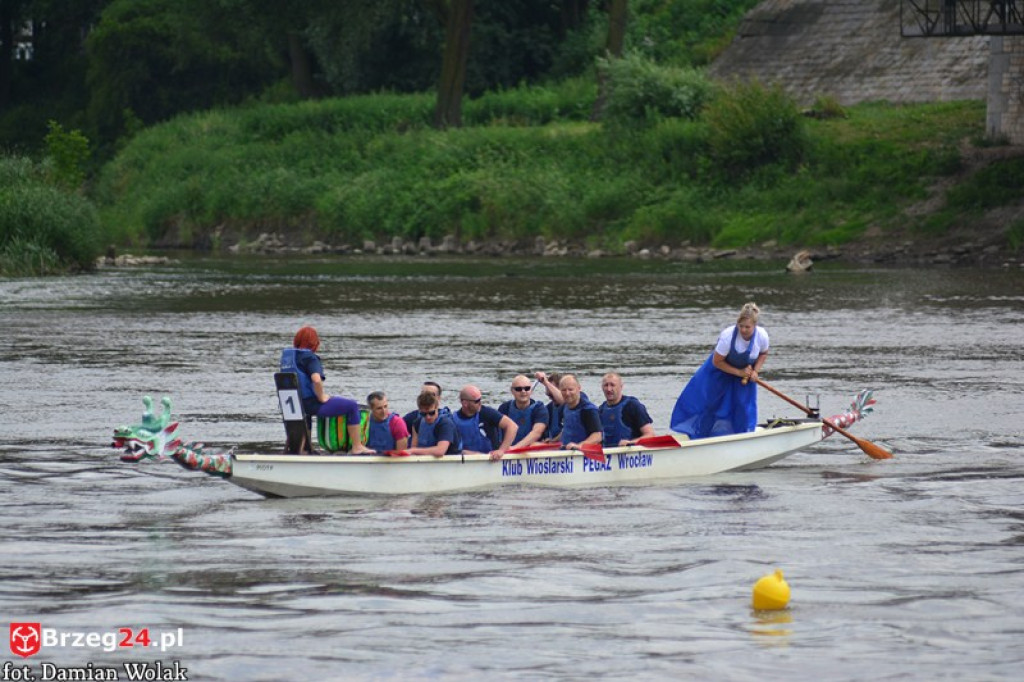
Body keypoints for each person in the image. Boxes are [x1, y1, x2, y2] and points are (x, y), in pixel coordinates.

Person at [670, 302, 770, 439]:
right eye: (741, 326)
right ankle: (701, 437)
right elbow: (717, 362)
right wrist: (739, 372)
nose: (744, 330)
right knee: (710, 405)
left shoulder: (762, 336)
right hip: (719, 371)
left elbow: (763, 354)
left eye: (748, 327)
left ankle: (743, 437)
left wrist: (755, 371)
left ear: (755, 326)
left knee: (743, 408)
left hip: (743, 377)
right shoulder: (728, 336)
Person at [280, 325, 372, 454]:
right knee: (352, 406)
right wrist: (322, 396)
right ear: (315, 343)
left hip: (292, 406)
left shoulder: (288, 358)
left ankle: (305, 449)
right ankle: (357, 446)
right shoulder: (310, 358)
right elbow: (316, 379)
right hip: (309, 404)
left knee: (307, 415)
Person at [453, 384, 518, 460]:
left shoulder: (487, 413)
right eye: (477, 401)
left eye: (480, 399)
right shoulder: (453, 419)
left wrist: (501, 450)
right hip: (467, 460)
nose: (480, 403)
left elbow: (512, 426)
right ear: (465, 403)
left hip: (491, 459)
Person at [598, 372, 655, 447]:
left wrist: (631, 442)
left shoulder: (633, 406)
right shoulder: (601, 410)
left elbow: (650, 435)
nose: (609, 389)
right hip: (608, 453)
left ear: (621, 387)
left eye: (612, 385)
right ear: (602, 388)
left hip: (631, 453)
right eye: (606, 385)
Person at [498, 375, 549, 447]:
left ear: (531, 390)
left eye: (527, 388)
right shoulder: (504, 408)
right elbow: (497, 434)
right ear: (512, 391)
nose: (523, 392)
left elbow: (537, 433)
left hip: (532, 450)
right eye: (518, 389)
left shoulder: (539, 409)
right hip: (508, 450)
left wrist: (515, 448)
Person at [407, 390, 461, 458]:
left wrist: (413, 451)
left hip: (449, 463)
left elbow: (440, 451)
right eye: (423, 414)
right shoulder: (417, 423)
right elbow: (414, 449)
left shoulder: (445, 424)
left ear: (436, 407)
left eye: (431, 413)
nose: (428, 417)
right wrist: (412, 451)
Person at [558, 374, 603, 450]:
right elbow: (568, 429)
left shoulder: (588, 410)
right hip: (567, 450)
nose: (567, 393)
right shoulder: (565, 407)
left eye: (570, 389)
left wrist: (579, 446)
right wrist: (553, 440)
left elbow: (597, 436)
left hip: (582, 453)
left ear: (578, 388)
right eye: (564, 390)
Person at [534, 371, 564, 441]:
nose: (550, 398)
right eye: (548, 395)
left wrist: (545, 382)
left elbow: (568, 431)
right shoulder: (548, 409)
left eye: (552, 394)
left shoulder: (573, 405)